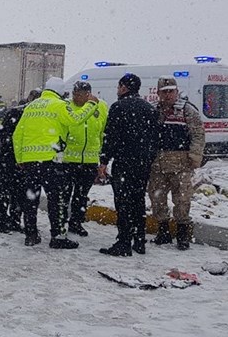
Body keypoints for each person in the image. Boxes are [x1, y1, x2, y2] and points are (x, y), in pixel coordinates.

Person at [13, 77, 99, 248]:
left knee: (31, 199)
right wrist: (91, 104)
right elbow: (75, 119)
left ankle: (31, 235)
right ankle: (58, 237)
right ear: (60, 91)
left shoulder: (31, 106)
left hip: (30, 162)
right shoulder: (59, 105)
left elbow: (17, 135)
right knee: (56, 200)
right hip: (51, 161)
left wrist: (20, 159)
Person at [98, 73, 159, 257]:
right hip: (142, 164)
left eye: (119, 87)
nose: (118, 90)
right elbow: (156, 138)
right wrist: (148, 158)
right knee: (138, 200)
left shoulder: (118, 107)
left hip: (124, 163)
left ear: (124, 87)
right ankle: (139, 241)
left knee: (123, 202)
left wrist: (103, 161)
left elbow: (111, 137)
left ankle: (123, 242)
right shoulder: (149, 109)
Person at [148, 76, 205, 250]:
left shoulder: (187, 111)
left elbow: (198, 134)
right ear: (158, 93)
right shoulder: (154, 111)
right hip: (158, 164)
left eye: (171, 91)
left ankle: (182, 235)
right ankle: (163, 231)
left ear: (177, 91)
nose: (168, 95)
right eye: (164, 92)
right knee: (157, 198)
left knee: (182, 200)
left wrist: (195, 157)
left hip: (181, 164)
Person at [63, 81, 108, 237]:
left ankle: (76, 222)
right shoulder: (66, 106)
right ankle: (60, 223)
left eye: (80, 94)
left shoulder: (101, 106)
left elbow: (103, 132)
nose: (76, 97)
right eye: (74, 93)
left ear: (88, 94)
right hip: (68, 160)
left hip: (89, 160)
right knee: (65, 194)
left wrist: (102, 159)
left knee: (81, 195)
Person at [0, 88, 41, 233]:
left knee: (18, 194)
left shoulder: (34, 116)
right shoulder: (17, 112)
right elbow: (4, 134)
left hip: (22, 161)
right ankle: (3, 222)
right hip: (10, 160)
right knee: (5, 194)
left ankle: (14, 221)